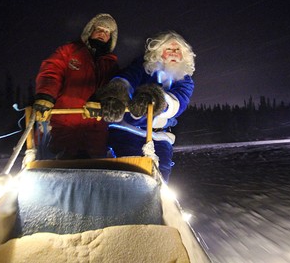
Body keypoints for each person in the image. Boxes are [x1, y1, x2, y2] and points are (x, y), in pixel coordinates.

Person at [97, 31, 195, 182]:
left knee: (159, 182)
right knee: (125, 177)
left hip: (160, 138)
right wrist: (116, 95)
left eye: (178, 50)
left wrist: (154, 100)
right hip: (127, 132)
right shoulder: (143, 68)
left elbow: (177, 103)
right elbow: (125, 80)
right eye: (169, 49)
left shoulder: (185, 81)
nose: (174, 53)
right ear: (158, 51)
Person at [33, 13, 119, 159]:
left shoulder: (112, 64)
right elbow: (51, 71)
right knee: (56, 167)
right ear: (90, 31)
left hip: (96, 129)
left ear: (111, 38)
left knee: (94, 169)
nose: (102, 34)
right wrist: (45, 95)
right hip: (63, 123)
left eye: (107, 32)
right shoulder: (69, 51)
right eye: (99, 29)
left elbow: (116, 88)